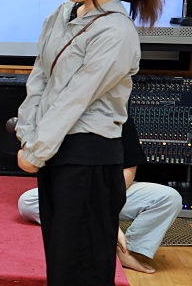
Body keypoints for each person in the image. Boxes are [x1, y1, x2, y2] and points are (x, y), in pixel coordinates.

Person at [15, 0, 167, 286]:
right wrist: (28, 132)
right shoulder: (61, 16)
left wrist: (36, 150)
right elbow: (40, 78)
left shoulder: (116, 32)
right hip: (57, 153)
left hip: (89, 157)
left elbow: (75, 99)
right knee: (72, 261)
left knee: (80, 263)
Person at [18, 117, 181, 274]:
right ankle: (100, 236)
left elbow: (129, 169)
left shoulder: (120, 119)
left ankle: (128, 251)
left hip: (114, 190)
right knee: (27, 202)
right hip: (73, 192)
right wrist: (105, 218)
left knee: (169, 198)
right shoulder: (65, 119)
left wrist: (107, 205)